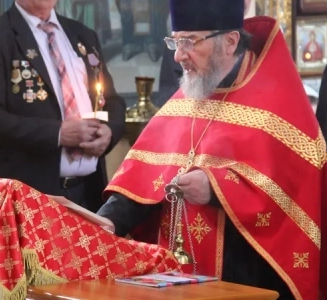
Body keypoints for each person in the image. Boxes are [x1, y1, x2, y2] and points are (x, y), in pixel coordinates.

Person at [97, 0, 327, 299]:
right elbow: (146, 176)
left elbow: (296, 191)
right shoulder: (190, 93)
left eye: (190, 42)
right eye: (175, 42)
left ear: (230, 41)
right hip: (175, 279)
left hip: (248, 276)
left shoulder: (276, 102)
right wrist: (106, 220)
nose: (179, 56)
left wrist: (216, 188)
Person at [0, 0, 126, 213]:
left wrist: (109, 132)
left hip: (88, 193)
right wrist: (58, 133)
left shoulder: (83, 34)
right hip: (30, 196)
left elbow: (112, 101)